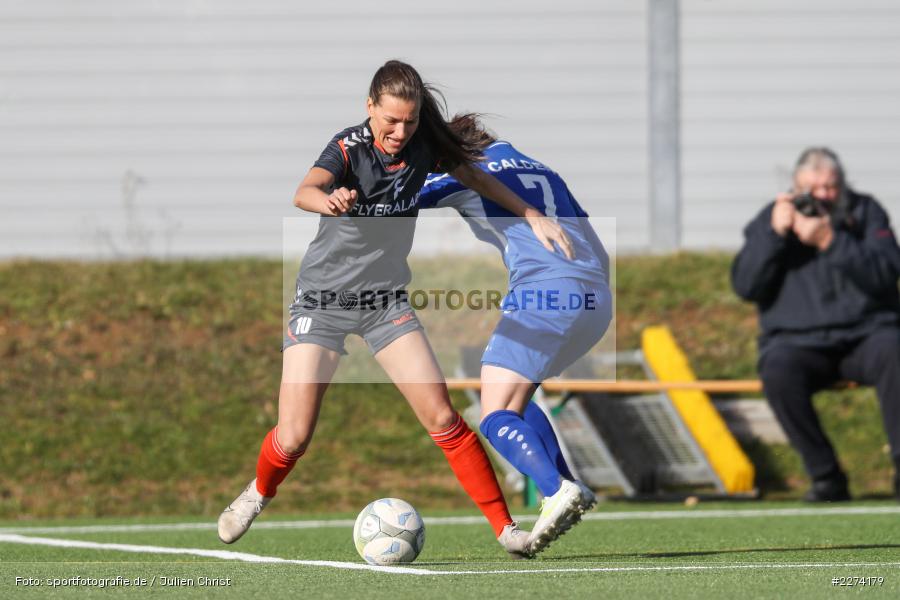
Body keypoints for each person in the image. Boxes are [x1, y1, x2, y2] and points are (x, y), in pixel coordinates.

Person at [217, 60, 573, 559]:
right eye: (390, 120)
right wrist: (329, 200)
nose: (400, 132)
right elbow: (304, 191)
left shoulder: (422, 145)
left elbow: (475, 177)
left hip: (384, 303)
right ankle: (257, 493)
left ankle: (506, 529)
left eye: (409, 121)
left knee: (443, 417)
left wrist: (532, 214)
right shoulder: (347, 148)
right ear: (370, 107)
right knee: (294, 436)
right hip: (322, 301)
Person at [417, 124, 612, 553]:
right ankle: (565, 486)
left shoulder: (465, 171)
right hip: (596, 299)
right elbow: (597, 248)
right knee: (517, 400)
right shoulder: (544, 170)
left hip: (545, 294)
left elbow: (397, 197)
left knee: (495, 413)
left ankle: (556, 489)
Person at [731, 147, 900, 501]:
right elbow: (746, 286)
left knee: (895, 350)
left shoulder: (866, 212)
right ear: (795, 187)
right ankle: (826, 476)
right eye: (813, 188)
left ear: (842, 185)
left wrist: (830, 241)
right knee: (777, 369)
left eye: (830, 187)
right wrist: (774, 236)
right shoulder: (770, 219)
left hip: (866, 336)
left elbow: (886, 275)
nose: (822, 196)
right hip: (798, 342)